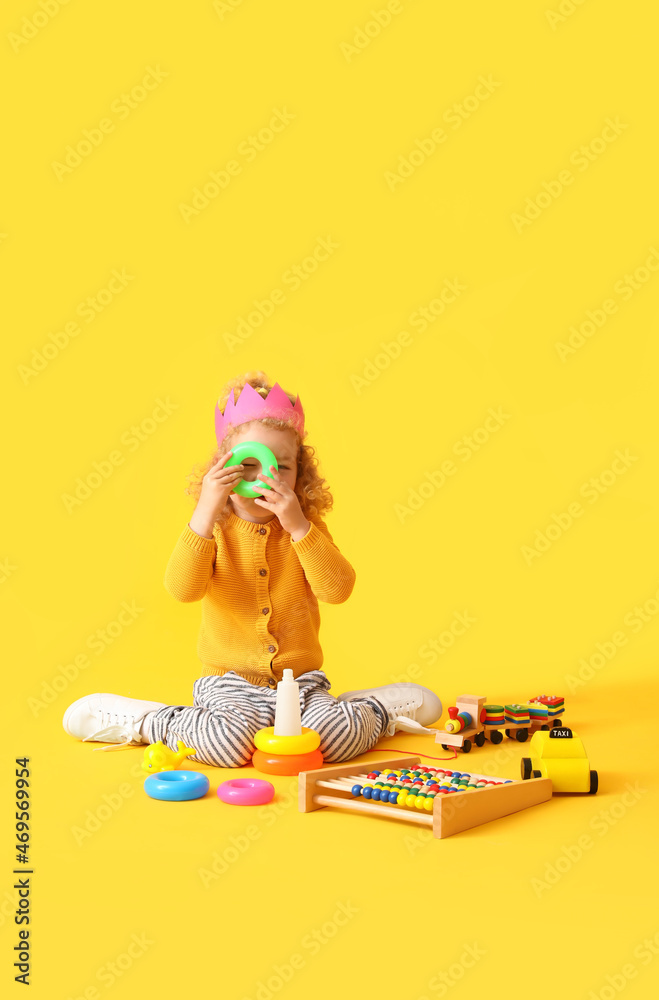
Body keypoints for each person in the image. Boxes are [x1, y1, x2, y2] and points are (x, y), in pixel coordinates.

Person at [62, 370, 442, 766]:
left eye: (284, 467)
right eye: (249, 466)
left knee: (331, 740)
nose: (266, 478)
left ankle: (373, 710)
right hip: (229, 684)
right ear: (222, 471)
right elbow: (182, 589)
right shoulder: (213, 530)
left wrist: (299, 526)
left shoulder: (303, 531)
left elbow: (338, 590)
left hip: (302, 683)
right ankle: (151, 721)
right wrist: (205, 513)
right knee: (227, 747)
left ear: (301, 475)